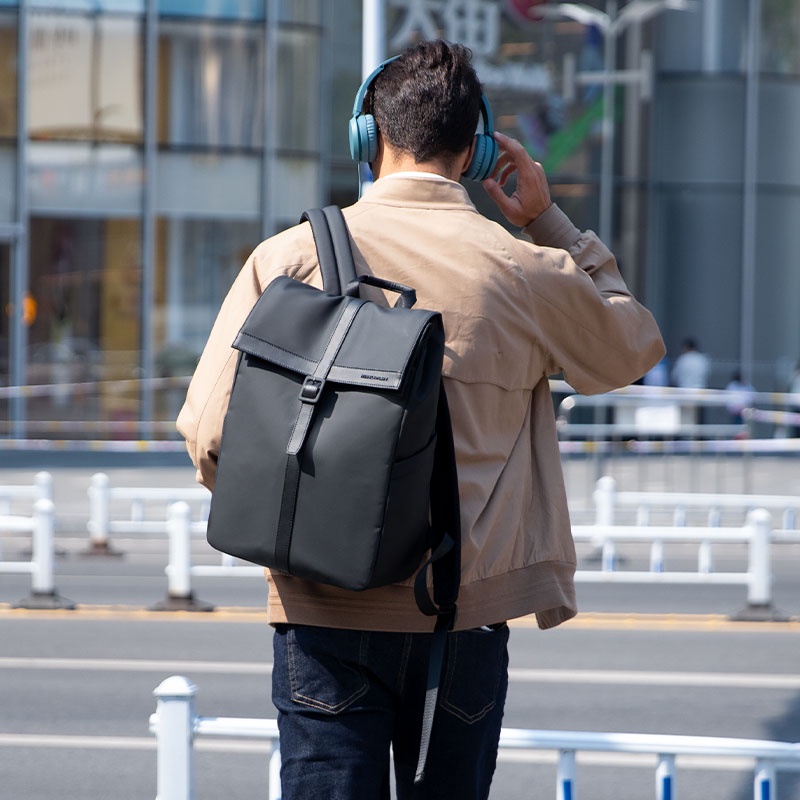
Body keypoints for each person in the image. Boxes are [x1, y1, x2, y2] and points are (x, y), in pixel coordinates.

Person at [177, 40, 665, 800]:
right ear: (476, 151)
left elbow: (209, 434)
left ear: (366, 138)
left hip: (322, 609)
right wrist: (549, 222)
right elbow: (631, 348)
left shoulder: (286, 258)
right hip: (461, 616)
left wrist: (303, 523)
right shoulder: (524, 270)